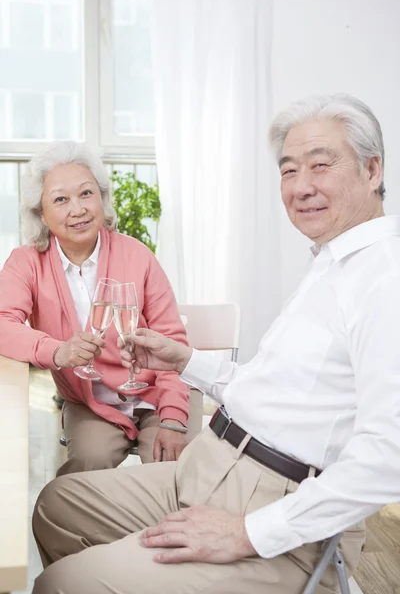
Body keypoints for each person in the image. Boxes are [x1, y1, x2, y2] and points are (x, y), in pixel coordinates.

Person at [32, 94, 400, 594]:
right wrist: (184, 360)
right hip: (215, 462)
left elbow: (388, 458)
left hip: (272, 505)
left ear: (372, 169)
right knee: (57, 506)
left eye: (320, 165)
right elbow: (271, 390)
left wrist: (246, 534)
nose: (301, 186)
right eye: (289, 171)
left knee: (64, 583)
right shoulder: (331, 263)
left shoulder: (385, 276)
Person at [0, 141, 191, 475]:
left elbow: (172, 338)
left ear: (102, 199)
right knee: (87, 468)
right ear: (41, 213)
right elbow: (3, 323)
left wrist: (173, 417)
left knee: (172, 471)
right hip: (90, 403)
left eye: (86, 194)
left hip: (157, 392)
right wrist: (57, 351)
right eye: (61, 199)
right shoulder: (26, 262)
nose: (78, 209)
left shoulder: (137, 255)